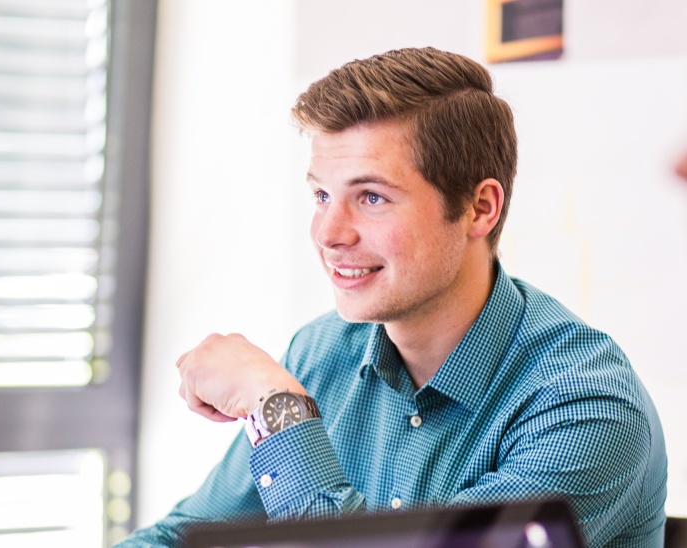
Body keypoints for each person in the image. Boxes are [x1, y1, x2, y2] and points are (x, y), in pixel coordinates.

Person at [115, 47, 667, 547]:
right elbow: (181, 538)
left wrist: (276, 409)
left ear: (480, 208)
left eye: (372, 197)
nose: (329, 233)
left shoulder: (588, 408)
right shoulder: (321, 351)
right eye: (322, 195)